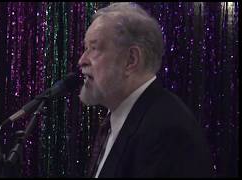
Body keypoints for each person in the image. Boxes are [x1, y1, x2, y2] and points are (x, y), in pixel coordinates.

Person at [78, 2, 213, 178]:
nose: (82, 60)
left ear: (131, 60)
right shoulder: (122, 118)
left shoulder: (167, 131)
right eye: (85, 48)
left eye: (94, 48)